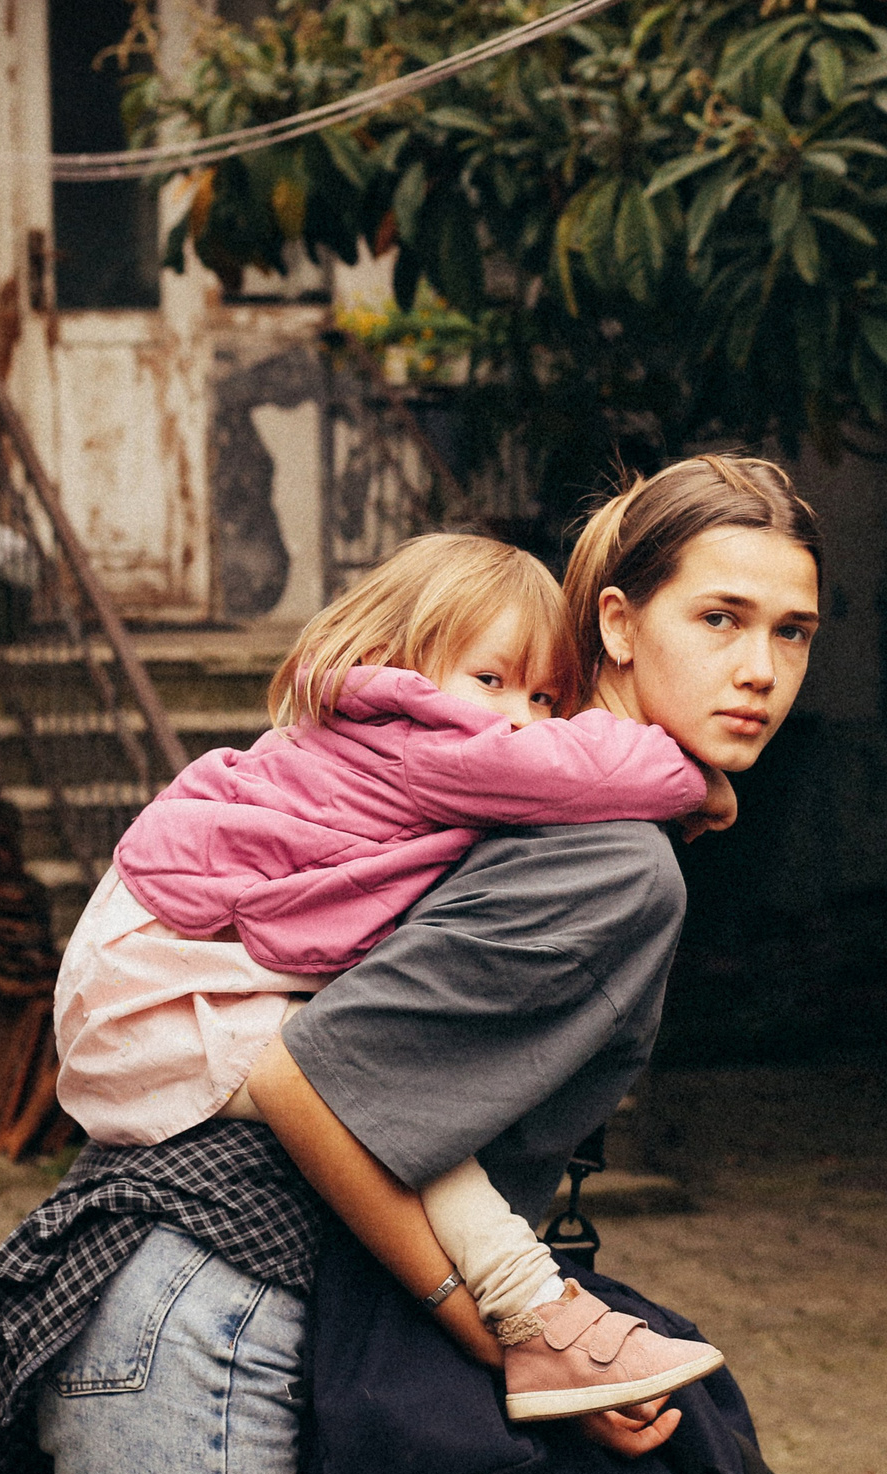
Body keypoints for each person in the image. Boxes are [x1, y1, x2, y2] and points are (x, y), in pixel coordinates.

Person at [0, 455, 824, 1474]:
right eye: (719, 618)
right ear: (615, 621)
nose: (757, 669)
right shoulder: (599, 852)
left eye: (791, 632)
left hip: (232, 1292)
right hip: (213, 1301)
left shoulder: (524, 813)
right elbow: (305, 1072)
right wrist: (517, 1328)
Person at [57, 530, 732, 1420]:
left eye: (544, 695)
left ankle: (541, 1320)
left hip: (154, 980)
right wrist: (697, 780)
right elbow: (570, 767)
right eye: (491, 680)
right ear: (395, 662)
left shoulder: (379, 741)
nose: (521, 717)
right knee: (377, 1102)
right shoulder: (422, 740)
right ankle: (536, 1312)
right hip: (152, 999)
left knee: (386, 1099)